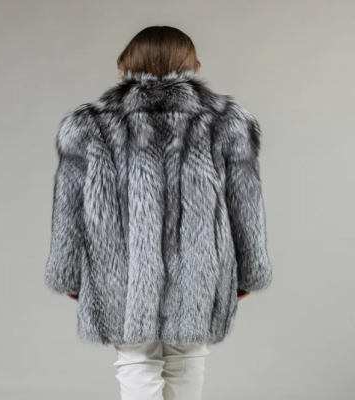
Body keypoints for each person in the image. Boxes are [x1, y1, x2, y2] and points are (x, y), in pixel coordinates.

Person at [44, 25, 272, 400]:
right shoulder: (226, 121)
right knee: (187, 359)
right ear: (191, 63)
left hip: (119, 269)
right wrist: (250, 271)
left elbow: (69, 209)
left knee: (135, 361)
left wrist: (68, 274)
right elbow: (245, 202)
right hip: (200, 269)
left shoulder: (90, 124)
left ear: (126, 63)